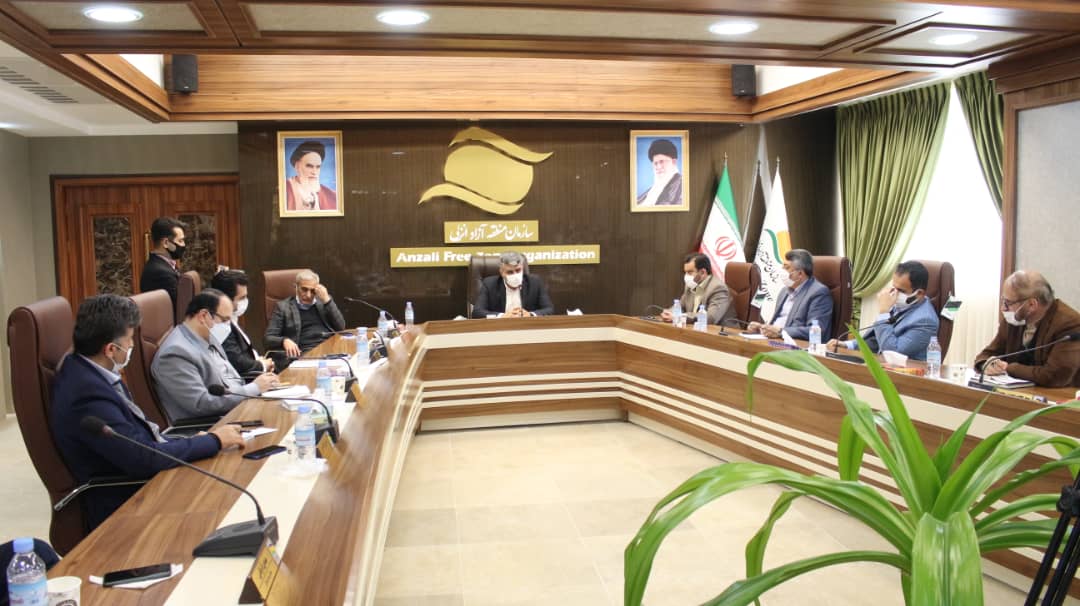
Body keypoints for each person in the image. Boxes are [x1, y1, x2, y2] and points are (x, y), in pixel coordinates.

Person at [49, 294, 245, 530]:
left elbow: (138, 440)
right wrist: (214, 441)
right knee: (230, 496)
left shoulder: (89, 370)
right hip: (128, 499)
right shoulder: (87, 394)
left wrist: (195, 441)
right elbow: (142, 458)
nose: (132, 345)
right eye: (130, 339)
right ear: (110, 349)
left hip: (145, 474)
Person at [153, 289, 278, 422]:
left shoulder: (207, 336)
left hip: (238, 408)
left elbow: (228, 378)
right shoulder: (175, 353)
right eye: (225, 320)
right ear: (203, 316)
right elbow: (201, 404)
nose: (228, 326)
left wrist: (260, 384)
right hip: (211, 424)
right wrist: (253, 388)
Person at [975, 270, 1080, 387]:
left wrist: (1009, 368)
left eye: (1008, 302)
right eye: (1003, 300)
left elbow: (1054, 376)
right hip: (1016, 392)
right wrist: (986, 364)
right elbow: (987, 354)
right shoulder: (1014, 318)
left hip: (1059, 395)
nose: (1003, 308)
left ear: (1031, 304)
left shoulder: (1069, 323)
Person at [827, 261, 939, 360]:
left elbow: (892, 353)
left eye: (901, 290)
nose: (894, 294)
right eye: (894, 288)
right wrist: (848, 345)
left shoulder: (925, 321)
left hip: (904, 373)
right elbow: (876, 340)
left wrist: (884, 312)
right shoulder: (906, 303)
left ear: (919, 293)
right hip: (882, 364)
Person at [747, 249, 833, 340]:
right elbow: (777, 323)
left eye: (786, 268)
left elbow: (816, 331)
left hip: (794, 345)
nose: (782, 271)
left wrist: (781, 332)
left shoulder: (819, 293)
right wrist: (762, 328)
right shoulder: (784, 291)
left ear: (800, 274)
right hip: (773, 340)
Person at [264, 269, 346, 358]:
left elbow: (341, 327)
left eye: (312, 291)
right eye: (304, 289)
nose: (308, 295)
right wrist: (284, 340)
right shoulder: (283, 307)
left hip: (331, 347)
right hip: (305, 352)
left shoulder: (324, 301)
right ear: (296, 287)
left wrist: (327, 301)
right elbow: (268, 338)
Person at [210, 269, 273, 377]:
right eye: (242, 298)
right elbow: (236, 361)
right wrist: (262, 365)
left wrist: (258, 360)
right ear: (225, 299)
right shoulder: (218, 324)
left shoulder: (231, 318)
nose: (245, 301)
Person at [471, 251, 554, 318]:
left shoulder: (535, 282)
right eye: (510, 272)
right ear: (502, 272)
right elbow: (477, 312)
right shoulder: (489, 284)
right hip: (500, 328)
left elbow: (549, 309)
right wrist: (502, 316)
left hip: (527, 328)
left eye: (518, 270)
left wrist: (530, 314)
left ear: (522, 268)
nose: (515, 275)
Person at [661, 253, 736, 326]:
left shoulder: (718, 288)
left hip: (722, 331)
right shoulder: (691, 285)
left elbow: (711, 317)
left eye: (690, 272)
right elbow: (681, 306)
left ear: (702, 272)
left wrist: (680, 316)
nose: (686, 276)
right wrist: (669, 313)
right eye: (685, 272)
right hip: (697, 328)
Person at [139, 217, 186, 309]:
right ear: (166, 243)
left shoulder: (165, 265)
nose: (183, 245)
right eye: (180, 241)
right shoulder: (160, 273)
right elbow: (181, 307)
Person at [285, 140, 338, 211]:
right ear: (297, 166)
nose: (314, 172)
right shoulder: (285, 189)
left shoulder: (332, 196)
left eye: (318, 167)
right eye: (309, 166)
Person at [636, 139, 683, 207]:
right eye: (655, 163)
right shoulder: (649, 192)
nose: (658, 167)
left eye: (662, 162)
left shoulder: (683, 186)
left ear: (673, 162)